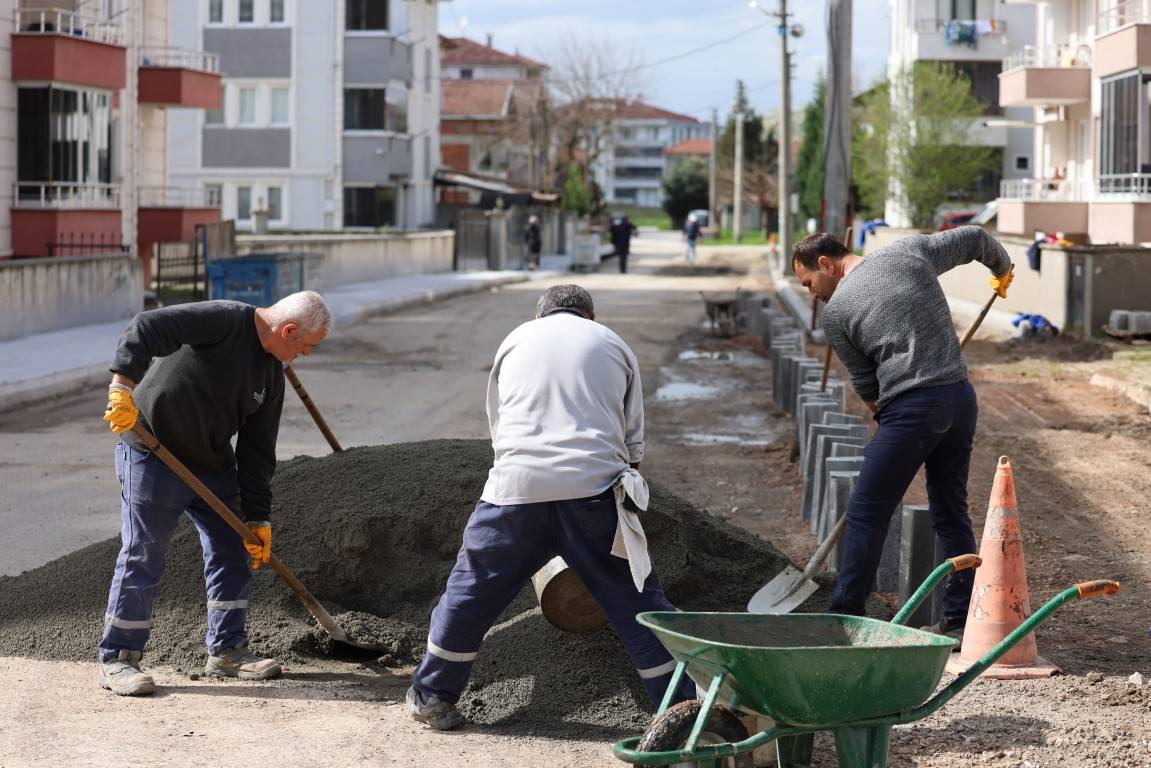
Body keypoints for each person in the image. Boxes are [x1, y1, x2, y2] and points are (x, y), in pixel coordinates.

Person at [407, 284, 695, 731]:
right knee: (635, 602)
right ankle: (679, 709)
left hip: (513, 493)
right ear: (590, 316)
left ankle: (432, 697)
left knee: (470, 593)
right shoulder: (612, 342)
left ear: (539, 315)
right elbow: (632, 433)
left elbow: (498, 427)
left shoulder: (515, 340)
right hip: (593, 492)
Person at [98, 291, 332, 696]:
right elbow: (147, 326)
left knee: (233, 547)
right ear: (289, 331)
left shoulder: (271, 378)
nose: (304, 356)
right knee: (144, 552)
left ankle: (227, 651)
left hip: (211, 464)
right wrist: (122, 386)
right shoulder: (224, 320)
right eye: (306, 347)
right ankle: (118, 658)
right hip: (153, 450)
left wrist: (257, 518)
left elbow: (259, 452)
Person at [792, 226, 1013, 638]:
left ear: (826, 263)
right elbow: (975, 240)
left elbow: (868, 389)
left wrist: (893, 418)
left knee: (866, 512)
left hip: (912, 407)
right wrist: (1001, 268)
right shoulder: (911, 250)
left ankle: (845, 617)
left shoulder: (837, 313)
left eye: (809, 283)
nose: (812, 294)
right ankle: (960, 620)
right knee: (951, 512)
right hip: (959, 399)